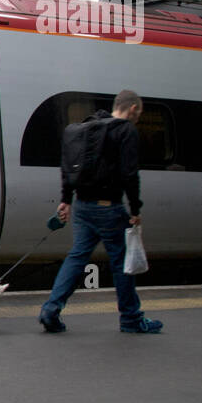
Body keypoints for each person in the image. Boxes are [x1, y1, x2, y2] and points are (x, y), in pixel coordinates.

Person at [38, 89, 163, 334]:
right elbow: (129, 174)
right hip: (109, 208)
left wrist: (66, 200)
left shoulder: (86, 127)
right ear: (133, 109)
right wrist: (135, 209)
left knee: (76, 258)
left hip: (82, 207)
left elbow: (67, 167)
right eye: (139, 114)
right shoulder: (125, 130)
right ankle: (131, 319)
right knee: (121, 263)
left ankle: (50, 310)